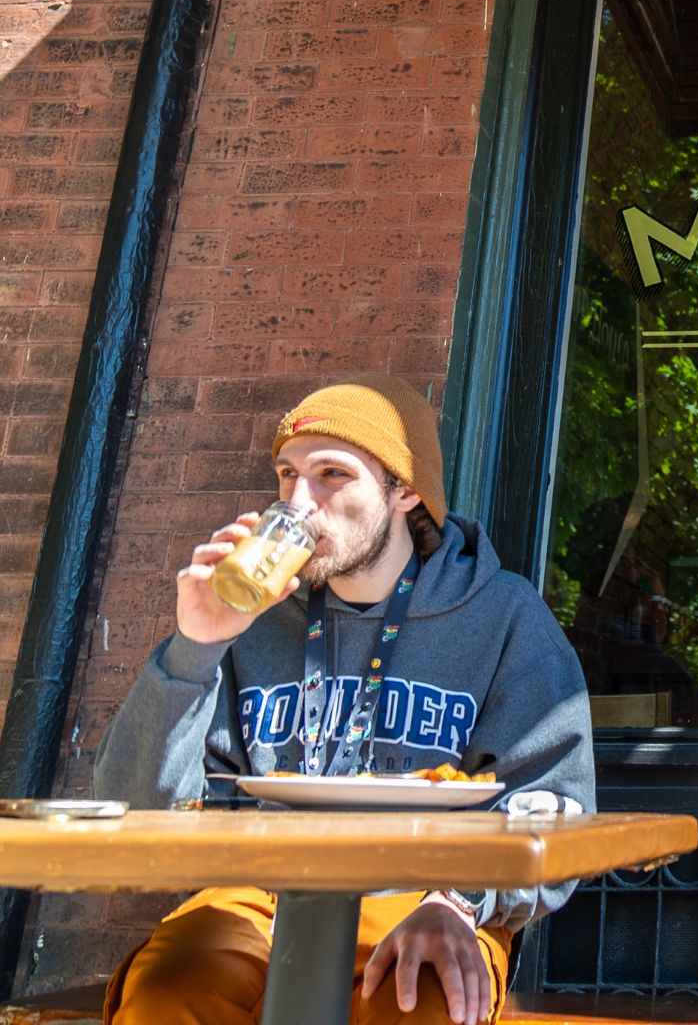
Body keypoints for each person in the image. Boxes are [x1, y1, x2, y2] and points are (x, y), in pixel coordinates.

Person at [92, 377, 596, 1025]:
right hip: (257, 892)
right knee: (168, 990)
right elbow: (137, 810)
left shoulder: (503, 615)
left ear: (405, 489)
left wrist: (462, 902)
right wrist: (195, 647)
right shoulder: (245, 616)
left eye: (332, 474)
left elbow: (556, 800)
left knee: (425, 1003)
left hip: (426, 892)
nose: (300, 501)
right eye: (287, 475)